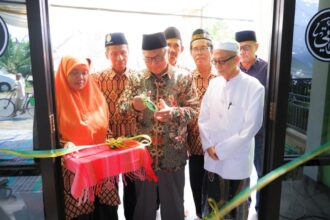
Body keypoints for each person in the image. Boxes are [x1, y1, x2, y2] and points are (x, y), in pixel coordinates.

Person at [118, 32, 198, 220]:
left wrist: (174, 113)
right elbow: (121, 108)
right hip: (144, 157)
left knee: (174, 208)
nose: (153, 62)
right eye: (148, 59)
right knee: (144, 210)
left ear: (167, 52)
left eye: (158, 58)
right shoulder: (136, 79)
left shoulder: (183, 77)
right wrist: (133, 106)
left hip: (173, 155)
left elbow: (194, 109)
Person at [199, 40, 264, 219]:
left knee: (235, 208)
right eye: (215, 61)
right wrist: (208, 146)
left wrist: (221, 150)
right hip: (212, 156)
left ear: (236, 60)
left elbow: (251, 127)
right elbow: (203, 118)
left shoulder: (254, 87)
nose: (217, 66)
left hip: (236, 159)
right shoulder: (214, 84)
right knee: (213, 205)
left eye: (222, 61)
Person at [55, 56, 120, 220]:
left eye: (84, 72)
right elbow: (49, 138)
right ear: (64, 74)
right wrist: (64, 144)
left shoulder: (97, 97)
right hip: (74, 173)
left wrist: (113, 142)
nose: (81, 77)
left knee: (105, 210)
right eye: (74, 73)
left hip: (102, 169)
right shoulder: (55, 102)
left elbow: (106, 130)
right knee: (82, 212)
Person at [92, 32, 137, 220]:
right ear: (106, 55)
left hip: (131, 143)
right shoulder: (97, 79)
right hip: (106, 145)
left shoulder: (138, 77)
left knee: (133, 190)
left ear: (129, 53)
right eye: (114, 53)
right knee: (108, 191)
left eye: (123, 53)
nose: (119, 57)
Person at [235, 30, 268, 211]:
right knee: (242, 172)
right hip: (239, 134)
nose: (243, 51)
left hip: (260, 133)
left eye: (247, 47)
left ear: (257, 47)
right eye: (240, 48)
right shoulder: (234, 69)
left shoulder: (267, 69)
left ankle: (261, 207)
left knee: (261, 171)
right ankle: (243, 206)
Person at [188, 28, 217, 219]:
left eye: (203, 47)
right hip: (195, 148)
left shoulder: (222, 78)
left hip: (217, 148)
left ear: (212, 51)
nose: (199, 52)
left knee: (216, 193)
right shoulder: (186, 79)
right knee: (197, 190)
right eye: (195, 48)